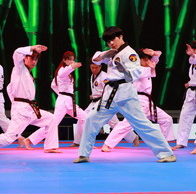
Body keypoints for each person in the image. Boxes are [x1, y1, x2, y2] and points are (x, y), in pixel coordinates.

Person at [74, 27, 176, 163]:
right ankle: (84, 154)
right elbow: (96, 60)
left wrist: (124, 70)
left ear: (121, 36)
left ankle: (166, 153)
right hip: (109, 95)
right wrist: (106, 54)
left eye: (113, 39)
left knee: (142, 124)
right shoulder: (112, 52)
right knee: (91, 119)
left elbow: (134, 73)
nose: (111, 43)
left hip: (125, 93)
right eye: (108, 41)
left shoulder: (130, 53)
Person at [0, 45, 56, 155]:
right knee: (9, 138)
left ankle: (40, 143)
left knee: (52, 119)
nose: (34, 62)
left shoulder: (28, 73)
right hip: (21, 110)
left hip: (30, 108)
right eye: (31, 58)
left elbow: (9, 88)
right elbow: (17, 52)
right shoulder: (19, 68)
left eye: (36, 59)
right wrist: (32, 47)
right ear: (25, 58)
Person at [100, 48, 174, 151]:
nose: (147, 62)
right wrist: (152, 65)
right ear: (139, 60)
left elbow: (157, 56)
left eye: (148, 59)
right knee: (127, 124)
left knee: (166, 119)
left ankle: (165, 145)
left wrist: (153, 54)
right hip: (138, 101)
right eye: (145, 60)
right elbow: (151, 67)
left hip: (148, 103)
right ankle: (107, 144)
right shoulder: (137, 70)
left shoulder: (147, 67)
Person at [74, 62, 140, 146]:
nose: (94, 69)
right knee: (82, 118)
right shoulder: (92, 76)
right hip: (94, 102)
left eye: (96, 68)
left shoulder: (104, 76)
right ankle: (77, 142)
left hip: (104, 102)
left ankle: (134, 137)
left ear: (100, 67)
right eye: (92, 67)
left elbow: (108, 90)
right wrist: (93, 95)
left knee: (114, 123)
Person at [43, 51, 89, 152]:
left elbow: (53, 85)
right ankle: (38, 142)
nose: (71, 61)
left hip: (69, 101)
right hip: (63, 101)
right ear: (64, 60)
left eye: (73, 59)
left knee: (85, 118)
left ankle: (86, 143)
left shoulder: (67, 73)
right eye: (69, 59)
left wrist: (60, 92)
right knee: (54, 123)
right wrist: (73, 66)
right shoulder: (62, 71)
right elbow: (60, 77)